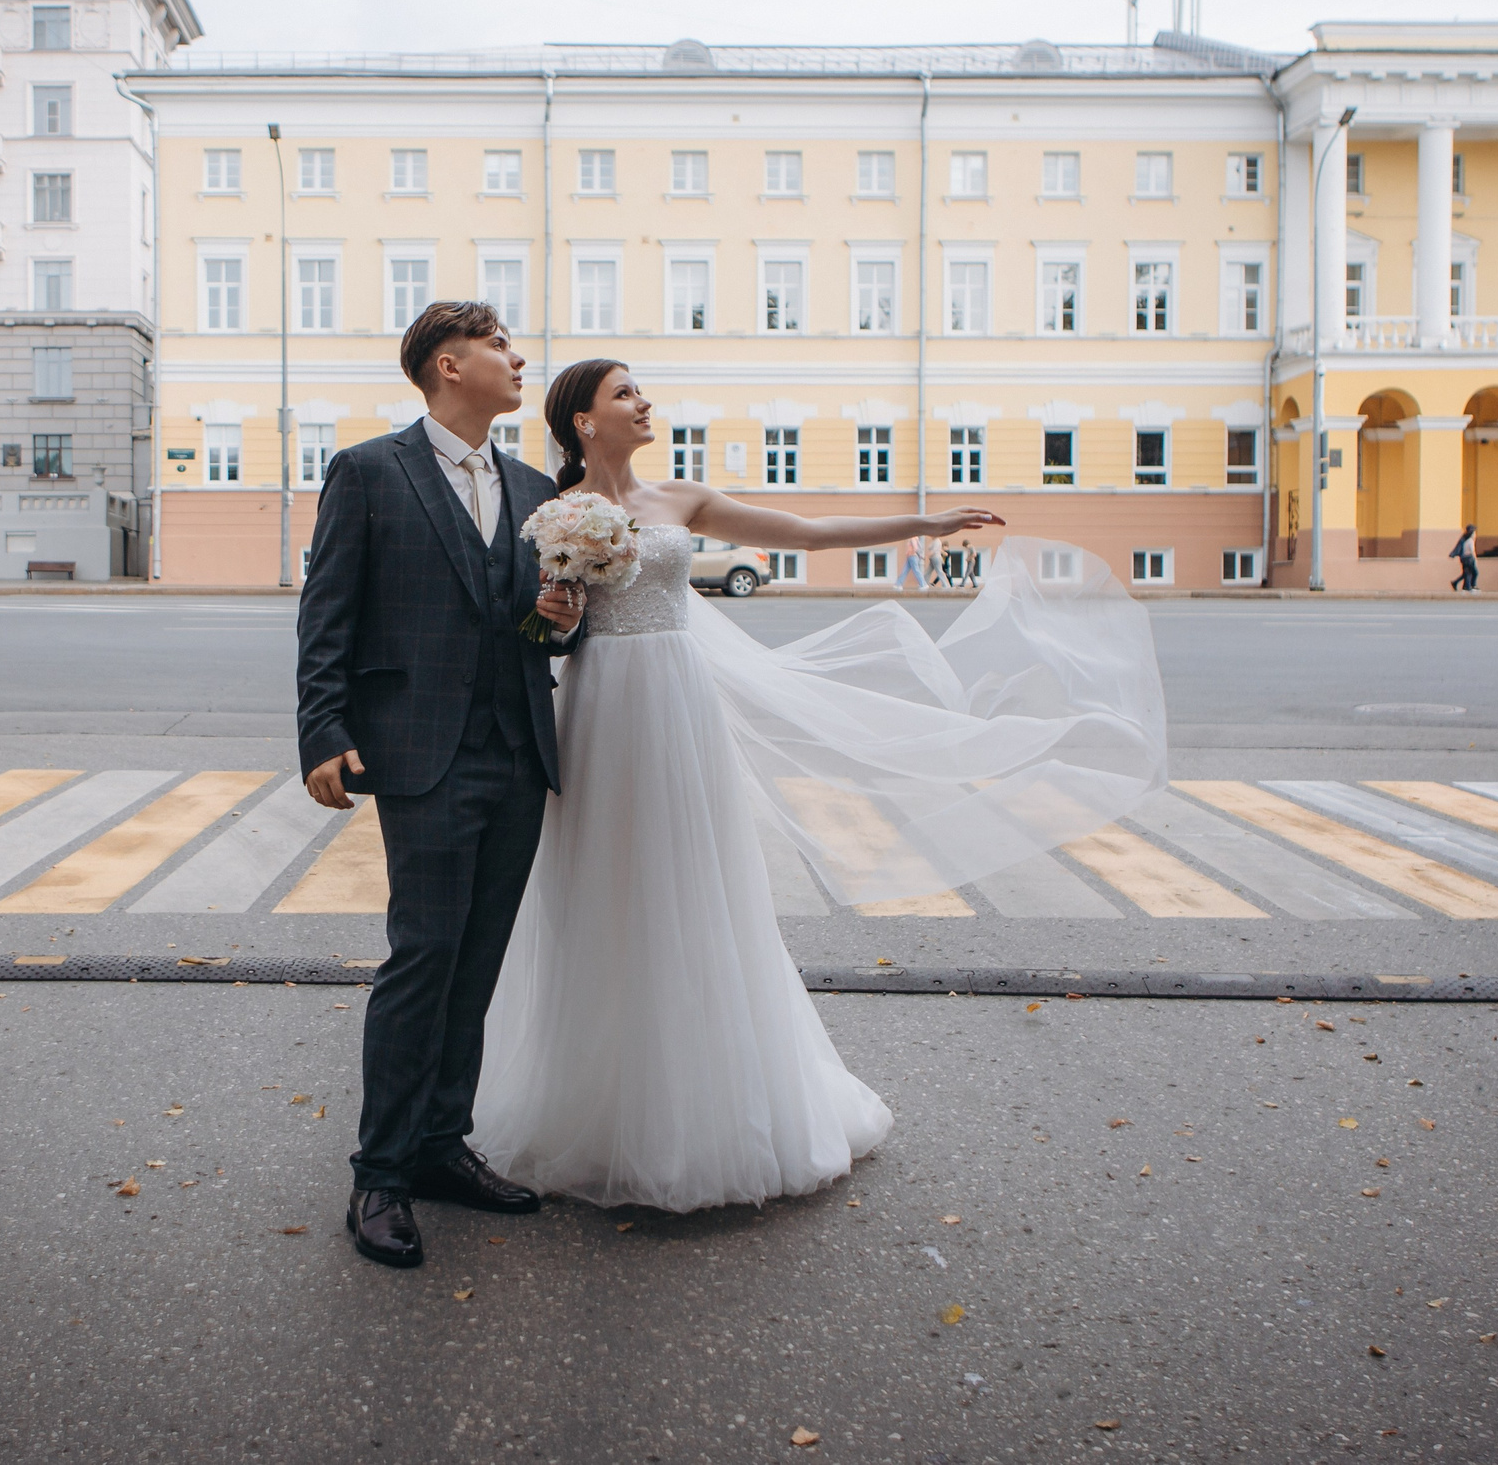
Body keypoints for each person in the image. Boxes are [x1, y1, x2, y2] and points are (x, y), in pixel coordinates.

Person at [469, 358, 1167, 1214]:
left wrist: (926, 518)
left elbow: (804, 530)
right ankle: (593, 1104)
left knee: (693, 886)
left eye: (641, 389)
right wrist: (557, 612)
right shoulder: (551, 508)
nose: (643, 401)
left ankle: (701, 1108)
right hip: (598, 708)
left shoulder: (680, 497)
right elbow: (536, 622)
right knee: (599, 889)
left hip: (676, 705)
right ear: (583, 420)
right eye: (624, 393)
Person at [294, 300, 584, 1270]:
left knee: (478, 960)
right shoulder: (370, 471)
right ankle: (379, 1171)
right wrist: (322, 733)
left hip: (516, 749)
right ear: (447, 366)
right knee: (423, 957)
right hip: (419, 751)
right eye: (500, 347)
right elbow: (327, 611)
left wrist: (554, 614)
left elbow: (540, 629)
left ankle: (438, 1144)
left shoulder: (536, 485)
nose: (517, 360)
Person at [1449, 522, 1479, 593]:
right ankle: (1471, 586)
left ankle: (1462, 585)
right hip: (1468, 558)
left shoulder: (1464, 539)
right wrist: (1475, 559)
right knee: (1473, 572)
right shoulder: (1470, 541)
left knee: (1466, 573)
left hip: (1463, 558)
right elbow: (1472, 551)